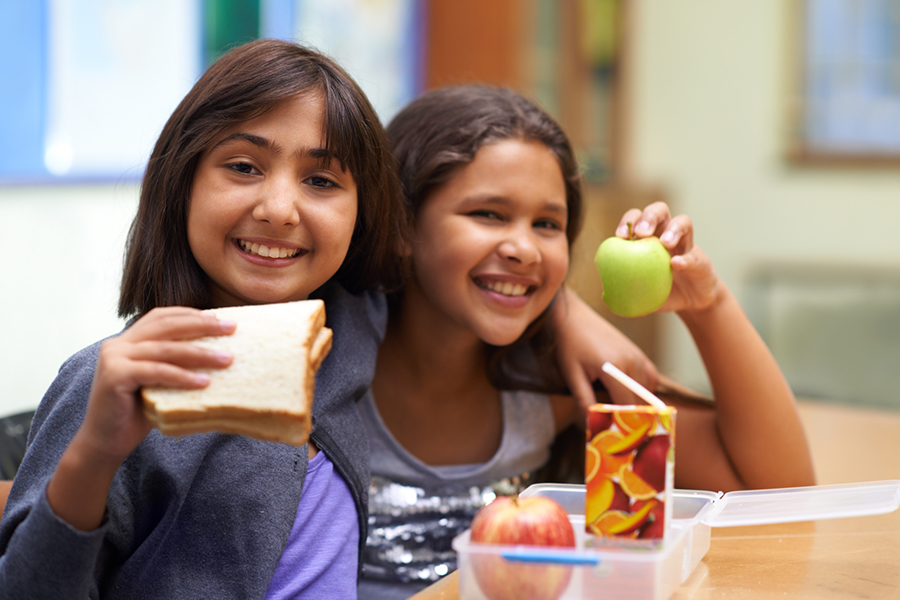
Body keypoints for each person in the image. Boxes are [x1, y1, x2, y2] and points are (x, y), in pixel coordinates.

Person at [358, 84, 815, 598]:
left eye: (548, 224)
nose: (524, 248)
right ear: (400, 224)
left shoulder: (560, 384)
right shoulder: (329, 359)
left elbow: (778, 498)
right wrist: (563, 309)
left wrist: (709, 305)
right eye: (488, 214)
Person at [0, 39, 410, 599]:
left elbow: (456, 254)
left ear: (363, 211)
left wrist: (564, 316)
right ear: (183, 183)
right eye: (243, 167)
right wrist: (95, 452)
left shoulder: (347, 326)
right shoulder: (116, 380)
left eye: (321, 181)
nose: (279, 209)